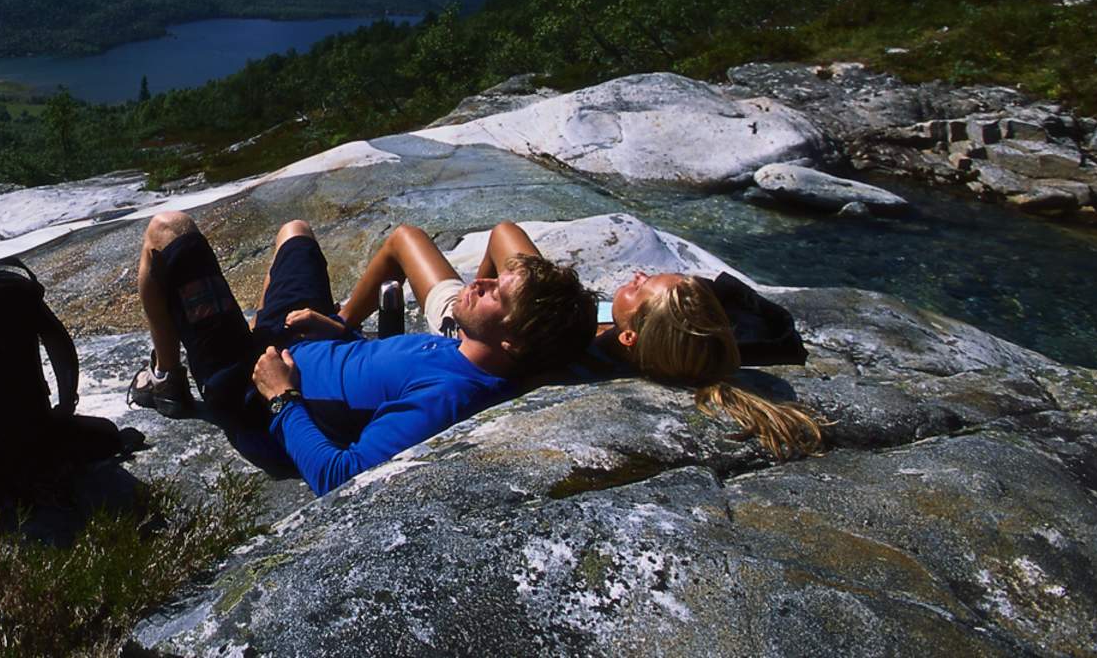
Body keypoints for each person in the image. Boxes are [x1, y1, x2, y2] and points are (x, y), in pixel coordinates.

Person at [127, 212, 594, 495]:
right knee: (295, 232)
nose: (481, 280)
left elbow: (341, 477)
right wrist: (340, 333)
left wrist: (280, 398)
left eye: (496, 294)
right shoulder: (466, 353)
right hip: (309, 339)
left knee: (168, 231)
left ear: (513, 343)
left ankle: (168, 377)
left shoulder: (448, 395)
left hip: (248, 386)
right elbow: (379, 379)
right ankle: (254, 324)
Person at [597, 270, 825, 458]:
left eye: (638, 288)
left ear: (629, 337)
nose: (638, 274)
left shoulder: (591, 352)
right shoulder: (702, 349)